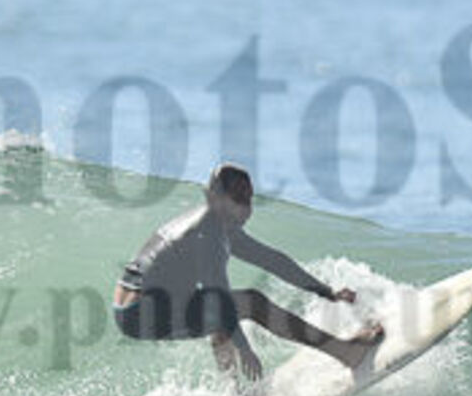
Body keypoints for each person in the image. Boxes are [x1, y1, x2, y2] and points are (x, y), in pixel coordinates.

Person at [113, 163, 384, 380]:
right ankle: (345, 352)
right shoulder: (209, 233)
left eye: (249, 196)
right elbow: (219, 298)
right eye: (238, 196)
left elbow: (272, 260)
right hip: (141, 311)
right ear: (216, 197)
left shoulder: (219, 223)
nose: (246, 205)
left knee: (222, 313)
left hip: (136, 304)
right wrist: (245, 349)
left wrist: (326, 292)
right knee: (250, 303)